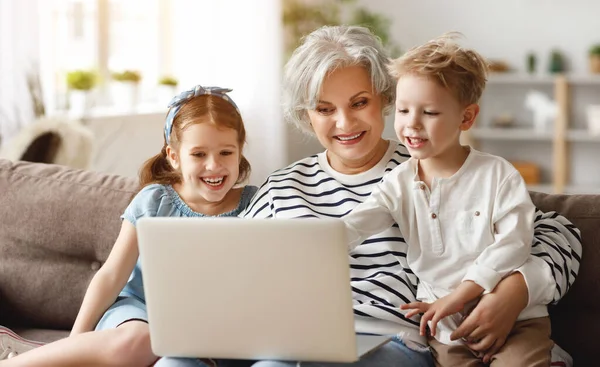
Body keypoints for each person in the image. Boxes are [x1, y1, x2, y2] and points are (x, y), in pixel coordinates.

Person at [241, 25, 581, 367]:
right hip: (295, 342)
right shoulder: (280, 187)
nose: (344, 123)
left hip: (391, 341)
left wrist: (514, 292)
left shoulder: (434, 163)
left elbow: (558, 232)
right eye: (324, 109)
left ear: (386, 99)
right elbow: (233, 268)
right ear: (306, 114)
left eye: (359, 103)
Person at [0, 85, 258, 367]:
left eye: (225, 153)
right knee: (141, 339)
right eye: (198, 154)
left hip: (215, 328)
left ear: (239, 151)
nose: (214, 165)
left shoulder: (257, 204)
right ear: (174, 156)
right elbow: (111, 276)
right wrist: (75, 341)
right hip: (139, 313)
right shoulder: (154, 201)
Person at [342, 33, 553, 366]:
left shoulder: (498, 175)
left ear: (466, 118)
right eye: (402, 110)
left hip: (515, 321)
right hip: (445, 328)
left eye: (429, 112)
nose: (411, 123)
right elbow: (354, 225)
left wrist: (461, 294)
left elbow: (514, 244)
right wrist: (314, 241)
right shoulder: (397, 183)